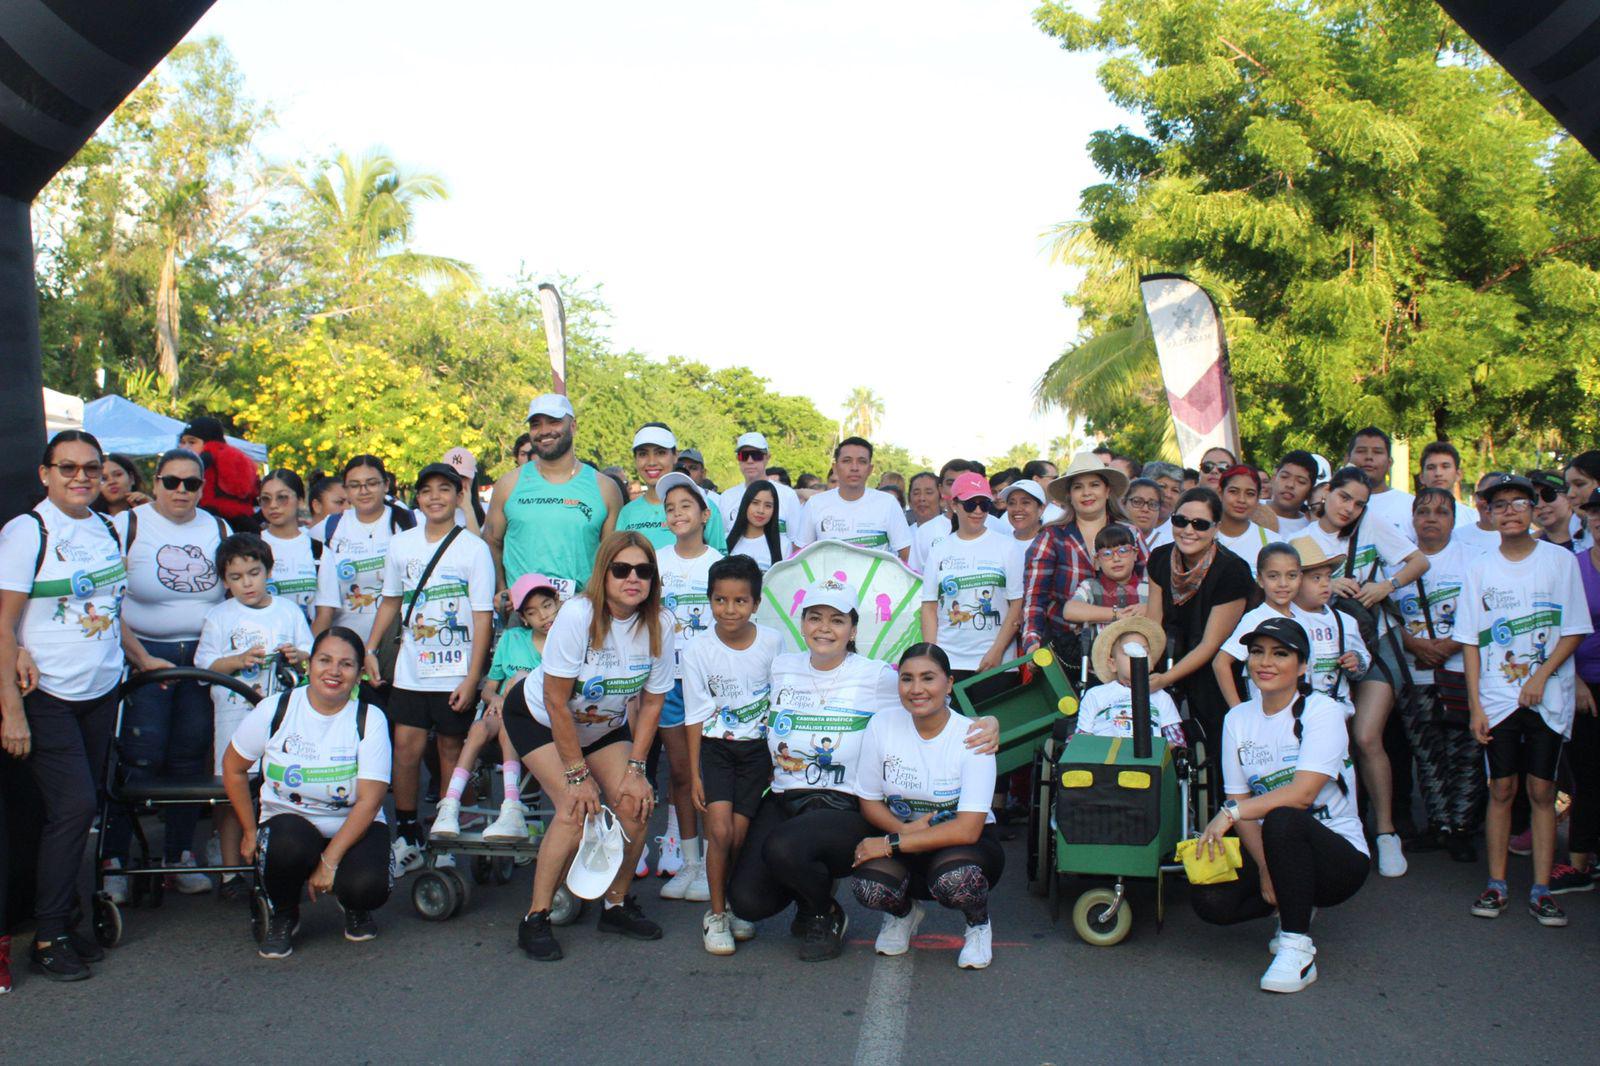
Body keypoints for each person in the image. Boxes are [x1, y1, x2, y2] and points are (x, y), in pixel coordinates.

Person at [727, 579, 998, 961]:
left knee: (785, 848)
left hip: (844, 806)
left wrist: (987, 721)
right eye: (815, 618)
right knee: (748, 902)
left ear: (853, 630)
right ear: (802, 624)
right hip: (787, 796)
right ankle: (810, 895)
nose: (825, 628)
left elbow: (927, 694)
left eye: (837, 620)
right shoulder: (780, 667)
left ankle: (824, 913)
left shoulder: (876, 676)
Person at [504, 532, 674, 962]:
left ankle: (615, 905)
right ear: (604, 573)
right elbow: (556, 701)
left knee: (636, 803)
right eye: (621, 569)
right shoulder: (578, 616)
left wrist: (637, 768)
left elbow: (652, 701)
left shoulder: (660, 624)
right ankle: (535, 918)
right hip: (540, 718)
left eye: (643, 571)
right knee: (575, 808)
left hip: (601, 727)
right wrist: (578, 777)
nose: (632, 578)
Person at [0, 430, 128, 981]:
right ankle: (49, 934)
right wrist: (9, 706)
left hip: (100, 691)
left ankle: (66, 918)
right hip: (44, 694)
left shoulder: (102, 527)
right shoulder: (27, 531)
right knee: (73, 807)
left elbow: (109, 607)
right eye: (68, 467)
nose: (81, 478)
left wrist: (141, 659)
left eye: (91, 469)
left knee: (82, 809)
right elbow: (3, 623)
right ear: (45, 473)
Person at [1191, 617, 1369, 994]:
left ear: (1302, 665)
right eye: (1257, 652)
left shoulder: (1324, 711)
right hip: (1278, 845)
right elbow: (1238, 796)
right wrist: (1267, 869)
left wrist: (1229, 814)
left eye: (1280, 653)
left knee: (1284, 817)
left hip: (1340, 858)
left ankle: (1296, 948)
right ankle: (1293, 901)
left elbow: (1302, 794)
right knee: (1211, 901)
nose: (1264, 662)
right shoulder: (1237, 718)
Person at [1459, 474, 1591, 927]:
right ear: (1488, 513)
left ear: (1534, 508)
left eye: (1519, 502)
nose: (1510, 510)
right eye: (1500, 505)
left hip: (1548, 697)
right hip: (1497, 699)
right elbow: (1471, 644)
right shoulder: (1479, 569)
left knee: (1542, 790)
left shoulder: (1560, 562)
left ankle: (1541, 888)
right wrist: (1476, 705)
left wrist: (1541, 677)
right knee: (1501, 788)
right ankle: (1496, 884)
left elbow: (1573, 628)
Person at [103, 448, 231, 898]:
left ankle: (179, 853)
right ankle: (114, 858)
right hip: (145, 653)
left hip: (201, 659)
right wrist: (139, 656)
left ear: (202, 486)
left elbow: (237, 590)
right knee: (139, 756)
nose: (181, 491)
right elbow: (103, 601)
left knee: (188, 757)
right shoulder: (126, 525)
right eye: (171, 481)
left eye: (191, 483)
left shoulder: (218, 527)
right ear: (155, 482)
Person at [222, 627, 392, 958]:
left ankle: (352, 901)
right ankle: (284, 912)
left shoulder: (370, 718)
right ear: (309, 665)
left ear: (359, 674)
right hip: (290, 823)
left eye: (346, 665)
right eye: (325, 660)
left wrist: (330, 860)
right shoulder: (276, 709)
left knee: (369, 887)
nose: (334, 671)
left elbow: (371, 800)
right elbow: (233, 767)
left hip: (352, 823)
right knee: (285, 845)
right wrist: (247, 830)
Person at [363, 463, 495, 877]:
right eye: (426, 490)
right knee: (405, 751)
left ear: (459, 496)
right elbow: (390, 600)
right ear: (416, 498)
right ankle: (407, 833)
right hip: (411, 671)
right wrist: (370, 647)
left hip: (456, 673)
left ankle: (446, 832)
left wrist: (472, 679)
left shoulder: (474, 549)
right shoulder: (400, 545)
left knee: (451, 753)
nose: (435, 497)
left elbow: (482, 618)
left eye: (445, 489)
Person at [1300, 465, 1429, 876]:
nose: (1350, 508)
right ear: (1327, 493)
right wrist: (1323, 585)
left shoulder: (1371, 526)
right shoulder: (1298, 540)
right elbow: (1283, 590)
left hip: (1374, 640)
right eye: (1344, 498)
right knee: (1329, 737)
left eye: (1358, 503)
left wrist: (1386, 585)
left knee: (1367, 735)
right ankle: (1341, 826)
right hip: (1322, 648)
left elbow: (1418, 561)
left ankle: (1386, 832)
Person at [850, 643, 1004, 970]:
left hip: (965, 845)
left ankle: (978, 925)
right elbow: (869, 801)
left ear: (948, 684)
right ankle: (903, 915)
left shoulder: (974, 735)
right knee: (868, 887)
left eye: (928, 678)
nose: (916, 689)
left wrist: (891, 842)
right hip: (906, 835)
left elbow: (968, 828)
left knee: (956, 882)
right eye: (907, 679)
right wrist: (903, 831)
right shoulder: (882, 724)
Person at [195, 533, 312, 901]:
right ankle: (231, 872)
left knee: (279, 790)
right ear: (225, 581)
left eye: (254, 573)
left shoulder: (289, 611)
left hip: (282, 719)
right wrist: (237, 660)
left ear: (268, 571)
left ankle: (280, 866)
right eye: (236, 577)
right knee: (234, 793)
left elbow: (310, 652)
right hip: (234, 717)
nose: (247, 583)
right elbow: (203, 667)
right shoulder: (219, 616)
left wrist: (297, 655)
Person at [682, 554, 783, 954]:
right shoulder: (696, 650)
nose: (730, 609)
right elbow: (695, 715)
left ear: (756, 604)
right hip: (715, 750)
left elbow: (781, 703)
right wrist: (695, 774)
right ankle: (716, 913)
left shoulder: (774, 642)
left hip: (759, 752)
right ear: (709, 601)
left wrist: (779, 758)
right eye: (720, 600)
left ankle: (738, 904)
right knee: (719, 830)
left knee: (739, 835)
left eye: (740, 601)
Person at [1388, 488, 1483, 862]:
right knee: (1428, 754)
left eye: (1441, 512)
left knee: (1465, 753)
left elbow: (1481, 612)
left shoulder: (1474, 560)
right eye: (1423, 511)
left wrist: (1448, 646)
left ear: (1453, 519)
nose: (1431, 517)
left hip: (1461, 671)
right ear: (1412, 518)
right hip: (1415, 674)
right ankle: (1438, 824)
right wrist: (1415, 645)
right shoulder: (1396, 562)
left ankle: (1461, 827)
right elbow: (1388, 616)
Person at [432, 572, 563, 843]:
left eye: (547, 606)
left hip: (540, 720)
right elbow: (490, 688)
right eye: (532, 612)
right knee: (479, 729)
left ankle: (511, 807)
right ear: (524, 618)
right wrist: (498, 699)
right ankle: (450, 804)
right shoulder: (512, 639)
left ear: (558, 602)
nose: (543, 615)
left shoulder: (566, 643)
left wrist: (515, 699)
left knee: (509, 725)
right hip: (501, 713)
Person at [1144, 487, 1251, 801]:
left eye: (1200, 524)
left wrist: (1164, 679)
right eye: (1181, 520)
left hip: (1216, 670)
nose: (1189, 530)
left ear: (1216, 528)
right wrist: (1145, 667)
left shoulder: (1232, 570)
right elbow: (1153, 622)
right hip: (1168, 655)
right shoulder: (1160, 558)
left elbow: (1210, 645)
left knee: (1215, 747)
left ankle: (1222, 821)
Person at [653, 472, 725, 901]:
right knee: (681, 774)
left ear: (704, 514)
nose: (677, 513)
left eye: (686, 506)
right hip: (667, 682)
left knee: (709, 775)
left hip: (710, 685)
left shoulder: (719, 563)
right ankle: (690, 863)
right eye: (670, 508)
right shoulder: (655, 561)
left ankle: (714, 865)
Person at [485, 393, 623, 601]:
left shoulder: (605, 488)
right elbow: (492, 541)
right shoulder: (508, 484)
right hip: (522, 615)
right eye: (535, 424)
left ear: (573, 426)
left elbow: (613, 556)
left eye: (554, 422)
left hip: (582, 614)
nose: (544, 431)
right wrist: (502, 589)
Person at [1020, 453, 1142, 659]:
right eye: (1078, 487)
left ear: (1107, 490)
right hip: (1066, 647)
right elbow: (1035, 597)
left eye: (1094, 485)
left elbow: (1149, 584)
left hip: (1125, 644)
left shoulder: (1130, 532)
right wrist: (1032, 642)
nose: (1086, 493)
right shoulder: (1052, 536)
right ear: (1069, 495)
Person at [918, 473, 1023, 695]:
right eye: (970, 504)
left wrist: (997, 651)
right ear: (953, 504)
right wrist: (933, 656)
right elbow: (929, 606)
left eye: (984, 504)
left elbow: (1016, 605)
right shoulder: (939, 549)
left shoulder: (1008, 546)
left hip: (997, 662)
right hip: (949, 661)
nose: (977, 511)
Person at [312, 455, 415, 652]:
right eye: (355, 485)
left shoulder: (409, 522)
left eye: (371, 483)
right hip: (345, 647)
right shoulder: (329, 528)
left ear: (386, 485)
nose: (364, 491)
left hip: (398, 645)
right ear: (346, 490)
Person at [1559, 488, 1600, 891]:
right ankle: (1578, 863)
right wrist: (1575, 679)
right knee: (1586, 777)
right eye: (1593, 512)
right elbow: (1559, 628)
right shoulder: (1573, 565)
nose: (1599, 518)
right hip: (1582, 683)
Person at [1286, 538, 1369, 719]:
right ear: (1295, 581)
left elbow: (1363, 657)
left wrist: (1357, 661)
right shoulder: (1283, 619)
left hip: (1336, 712)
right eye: (1316, 578)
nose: (1325, 584)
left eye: (1328, 577)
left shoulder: (1344, 621)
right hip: (1293, 714)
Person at [793, 438, 912, 562]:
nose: (854, 467)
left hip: (875, 581)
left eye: (862, 461)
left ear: (870, 469)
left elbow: (907, 554)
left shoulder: (887, 503)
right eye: (847, 461)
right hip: (829, 581)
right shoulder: (815, 504)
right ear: (835, 467)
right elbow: (799, 555)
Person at [1215, 542, 1305, 708]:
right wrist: (1237, 711)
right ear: (1260, 580)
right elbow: (1220, 663)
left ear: (1300, 577)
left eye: (1291, 575)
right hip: (1264, 713)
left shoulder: (1302, 618)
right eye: (1273, 576)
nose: (1283, 584)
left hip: (1298, 712)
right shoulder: (1255, 619)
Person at [616, 424, 729, 553]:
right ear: (635, 459)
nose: (652, 462)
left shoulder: (704, 506)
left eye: (661, 453)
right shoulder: (627, 513)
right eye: (643, 454)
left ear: (675, 455)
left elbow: (721, 565)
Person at [1073, 618, 1185, 745]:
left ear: (1151, 663)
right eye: (1128, 652)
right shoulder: (1096, 695)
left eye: (1145, 651)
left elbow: (1176, 740)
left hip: (1150, 757)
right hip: (1103, 755)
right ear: (1113, 664)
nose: (1138, 655)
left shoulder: (1161, 697)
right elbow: (1081, 736)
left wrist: (1172, 748)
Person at [1064, 525, 1154, 670]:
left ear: (1135, 553)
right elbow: (1070, 610)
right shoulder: (1091, 587)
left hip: (1143, 667)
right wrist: (1116, 614)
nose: (1116, 558)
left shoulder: (1148, 588)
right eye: (1107, 554)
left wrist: (1148, 610)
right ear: (1097, 561)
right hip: (1098, 670)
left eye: (1123, 551)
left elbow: (1166, 612)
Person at [255, 469, 320, 623]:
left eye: (282, 497)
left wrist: (308, 647)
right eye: (266, 499)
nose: (273, 505)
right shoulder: (250, 547)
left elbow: (325, 612)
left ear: (301, 500)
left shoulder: (318, 550)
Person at [178, 416, 260, 533]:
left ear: (209, 444)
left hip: (228, 527)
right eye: (182, 442)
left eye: (192, 442)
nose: (185, 447)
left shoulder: (213, 458)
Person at [717, 432, 803, 542]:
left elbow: (795, 541)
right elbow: (722, 539)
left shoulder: (787, 495)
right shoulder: (727, 497)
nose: (750, 461)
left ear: (767, 458)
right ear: (738, 459)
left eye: (756, 455)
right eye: (744, 456)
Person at [1345, 427, 1413, 542]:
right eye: (1361, 451)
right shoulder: (1332, 502)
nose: (1369, 457)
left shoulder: (1411, 506)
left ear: (1389, 463)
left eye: (1377, 452)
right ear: (1347, 459)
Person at [1214, 465, 1273, 575]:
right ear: (1220, 493)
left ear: (1258, 498)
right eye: (1233, 491)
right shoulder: (1201, 536)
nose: (1241, 500)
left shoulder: (1272, 542)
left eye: (1250, 494)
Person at [726, 479, 791, 572]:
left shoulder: (784, 545)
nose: (761, 510)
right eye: (755, 503)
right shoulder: (725, 540)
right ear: (745, 504)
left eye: (768, 505)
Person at [1417, 441, 1478, 530]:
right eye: (1431, 468)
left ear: (1458, 474)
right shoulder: (1408, 516)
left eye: (1445, 466)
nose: (1438, 473)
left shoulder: (1473, 519)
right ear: (1421, 477)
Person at [1264, 451, 1319, 536]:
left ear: (1311, 490)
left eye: (1301, 482)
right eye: (1284, 477)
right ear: (1274, 478)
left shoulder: (1310, 529)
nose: (1290, 485)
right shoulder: (1250, 509)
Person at [1454, 471, 1507, 554]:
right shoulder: (1455, 537)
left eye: (1498, 497)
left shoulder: (1526, 538)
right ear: (1475, 498)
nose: (1490, 502)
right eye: (1484, 495)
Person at [1530, 469, 1583, 551]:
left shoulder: (1592, 538)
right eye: (1533, 499)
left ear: (1568, 496)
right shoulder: (1529, 547)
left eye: (1549, 495)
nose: (1539, 505)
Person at [1000, 480, 1046, 571]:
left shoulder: (1053, 543)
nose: (1017, 509)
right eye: (1011, 503)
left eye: (1025, 502)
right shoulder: (1000, 543)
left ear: (1041, 508)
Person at [1121, 477, 1163, 546]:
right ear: (1123, 504)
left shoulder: (1170, 545)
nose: (1145, 509)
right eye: (1137, 502)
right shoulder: (1108, 538)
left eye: (1152, 504)